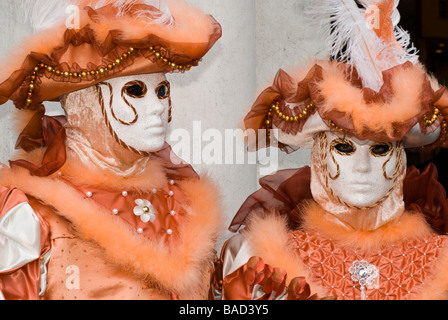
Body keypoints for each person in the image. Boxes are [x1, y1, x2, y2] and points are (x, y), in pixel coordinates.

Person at [217, 0, 448, 300]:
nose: (362, 167)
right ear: (319, 156)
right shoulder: (262, 262)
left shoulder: (439, 262)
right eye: (344, 147)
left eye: (380, 149)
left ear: (401, 162)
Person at [0, 0, 223, 300]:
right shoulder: (32, 215)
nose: (157, 107)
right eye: (135, 90)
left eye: (162, 90)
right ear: (84, 104)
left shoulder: (186, 204)